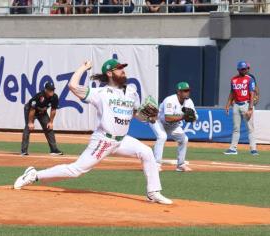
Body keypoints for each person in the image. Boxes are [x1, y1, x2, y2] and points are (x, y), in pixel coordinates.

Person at [13, 59, 173, 205]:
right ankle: (34, 175)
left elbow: (136, 114)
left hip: (122, 140)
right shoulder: (100, 93)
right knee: (76, 170)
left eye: (123, 68)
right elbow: (72, 86)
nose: (123, 71)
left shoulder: (131, 91)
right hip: (104, 139)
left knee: (146, 152)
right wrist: (83, 67)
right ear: (109, 73)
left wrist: (149, 118)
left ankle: (153, 192)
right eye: (119, 69)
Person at [150, 82, 197, 172]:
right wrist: (184, 117)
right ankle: (155, 164)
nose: (187, 92)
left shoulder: (189, 102)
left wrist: (192, 117)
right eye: (185, 91)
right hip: (158, 121)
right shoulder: (170, 100)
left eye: (188, 91)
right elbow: (168, 118)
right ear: (179, 92)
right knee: (162, 136)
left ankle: (180, 165)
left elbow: (194, 117)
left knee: (184, 139)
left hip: (173, 125)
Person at [224, 61, 259, 156]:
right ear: (238, 69)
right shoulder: (233, 79)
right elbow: (232, 93)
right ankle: (233, 148)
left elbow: (252, 94)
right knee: (236, 128)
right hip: (236, 105)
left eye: (245, 68)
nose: (245, 70)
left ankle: (253, 149)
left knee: (250, 128)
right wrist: (227, 105)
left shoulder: (249, 79)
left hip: (246, 104)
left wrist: (250, 108)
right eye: (242, 69)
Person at [21, 82, 63, 156]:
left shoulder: (54, 97)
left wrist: (51, 122)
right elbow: (32, 109)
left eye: (53, 90)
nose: (52, 91)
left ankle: (54, 150)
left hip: (42, 112)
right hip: (30, 109)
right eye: (50, 90)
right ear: (46, 90)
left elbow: (53, 110)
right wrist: (30, 122)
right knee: (28, 128)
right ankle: (24, 151)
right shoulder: (39, 96)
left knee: (49, 128)